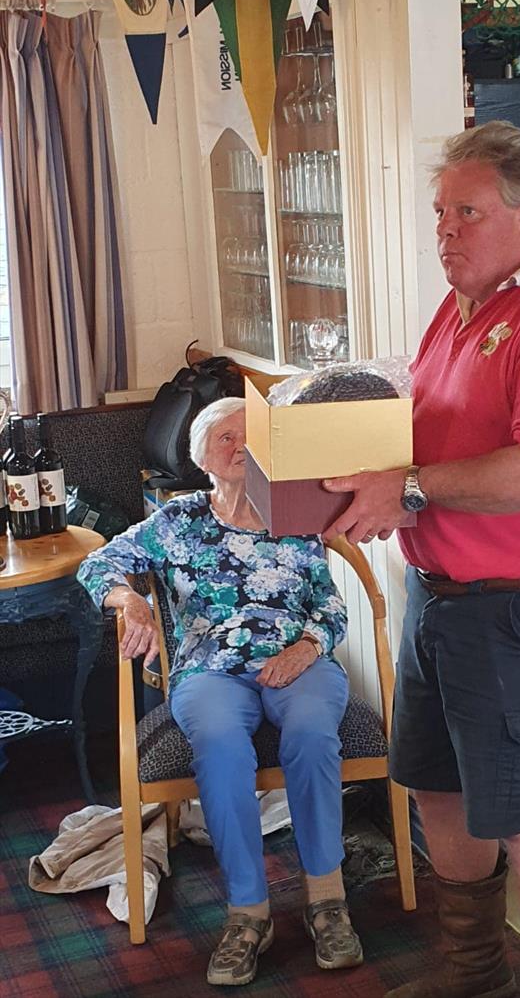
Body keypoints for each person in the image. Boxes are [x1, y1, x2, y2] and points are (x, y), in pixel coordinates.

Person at [322, 120, 520, 997]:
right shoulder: (469, 304)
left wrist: (409, 487)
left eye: (467, 211)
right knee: (437, 792)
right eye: (439, 212)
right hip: (440, 595)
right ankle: (475, 979)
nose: (444, 231)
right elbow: (432, 417)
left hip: (516, 604)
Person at [78, 397, 363, 987]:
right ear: (199, 456)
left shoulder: (293, 512)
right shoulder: (179, 521)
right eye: (223, 437)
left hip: (298, 661)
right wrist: (130, 598)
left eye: (247, 435)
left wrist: (305, 648)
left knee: (312, 734)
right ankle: (247, 913)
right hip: (209, 670)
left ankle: (327, 901)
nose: (237, 446)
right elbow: (100, 563)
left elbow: (330, 604)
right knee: (220, 745)